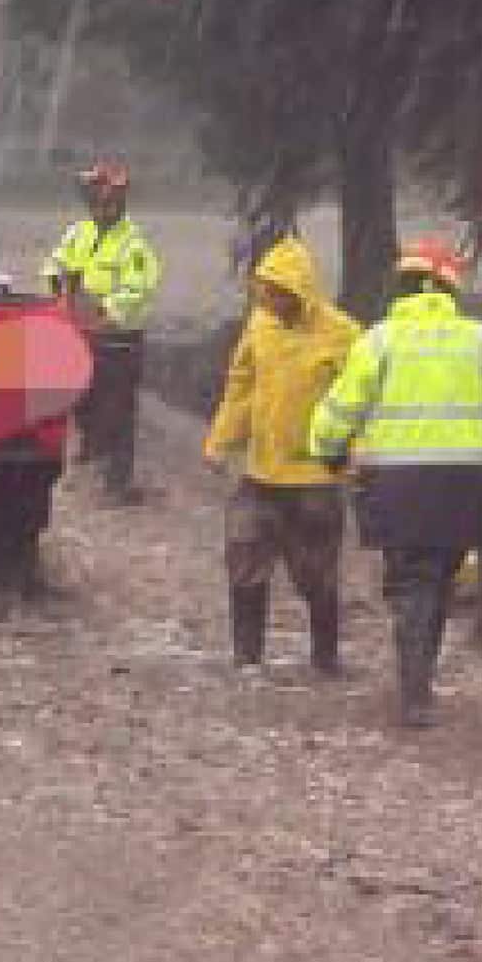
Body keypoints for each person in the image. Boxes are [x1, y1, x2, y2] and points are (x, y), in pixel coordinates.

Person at [306, 238, 482, 726]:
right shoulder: (481, 339)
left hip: (393, 483)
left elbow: (340, 409)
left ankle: (413, 684)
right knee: (438, 577)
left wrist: (325, 448)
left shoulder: (378, 340)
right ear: (449, 289)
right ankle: (419, 680)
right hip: (461, 482)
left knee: (410, 578)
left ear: (403, 286)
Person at [198, 236, 359, 672]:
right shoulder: (259, 325)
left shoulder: (343, 333)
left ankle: (325, 658)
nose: (267, 299)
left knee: (316, 576)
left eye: (275, 292)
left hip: (315, 479)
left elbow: (362, 401)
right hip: (261, 473)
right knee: (244, 559)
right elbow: (241, 386)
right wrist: (220, 440)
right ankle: (247, 657)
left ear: (298, 292)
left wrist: (359, 455)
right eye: (263, 290)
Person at [44, 165, 161, 504]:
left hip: (119, 340)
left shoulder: (133, 244)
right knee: (80, 398)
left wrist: (103, 313)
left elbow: (138, 288)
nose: (101, 208)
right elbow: (55, 264)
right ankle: (93, 447)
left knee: (120, 410)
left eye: (108, 202)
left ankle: (118, 482)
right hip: (82, 335)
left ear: (120, 203)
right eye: (96, 201)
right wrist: (59, 291)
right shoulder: (78, 233)